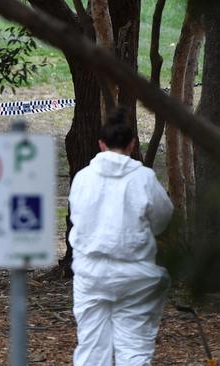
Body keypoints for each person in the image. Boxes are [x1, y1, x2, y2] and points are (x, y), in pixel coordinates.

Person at [68, 107, 174, 365]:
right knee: (135, 348)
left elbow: (77, 219)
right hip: (136, 274)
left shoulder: (83, 178)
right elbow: (163, 218)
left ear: (101, 144)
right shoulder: (144, 179)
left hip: (91, 274)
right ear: (132, 144)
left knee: (91, 347)